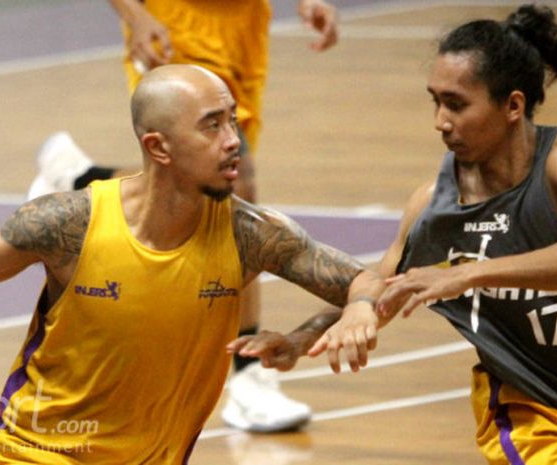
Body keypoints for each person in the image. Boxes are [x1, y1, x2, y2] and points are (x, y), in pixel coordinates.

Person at [0, 65, 377, 464]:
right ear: (158, 147)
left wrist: (308, 335)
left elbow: (367, 284)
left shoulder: (250, 235)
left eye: (233, 121)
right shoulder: (70, 223)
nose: (233, 140)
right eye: (213, 125)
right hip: (34, 456)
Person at [230, 4, 557, 464]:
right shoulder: (434, 205)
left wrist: (466, 275)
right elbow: (383, 285)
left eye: (456, 104)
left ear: (513, 105)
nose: (440, 120)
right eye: (435, 100)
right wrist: (303, 338)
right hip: (533, 406)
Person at [27, 0, 340, 433]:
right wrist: (136, 15)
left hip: (243, 26)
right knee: (231, 181)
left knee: (198, 180)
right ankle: (248, 376)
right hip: (175, 21)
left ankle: (79, 178)